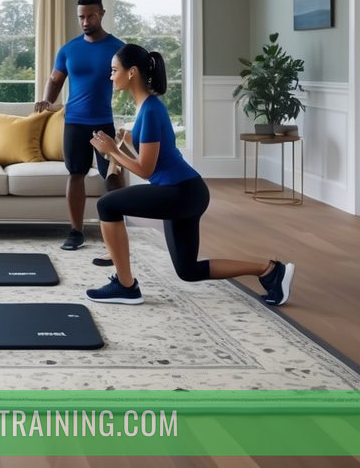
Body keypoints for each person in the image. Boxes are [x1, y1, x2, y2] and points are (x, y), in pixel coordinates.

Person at [85, 43, 295, 306]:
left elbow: (145, 170)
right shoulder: (148, 107)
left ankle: (126, 286)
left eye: (114, 70)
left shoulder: (150, 110)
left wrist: (112, 151)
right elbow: (154, 161)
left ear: (132, 72)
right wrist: (124, 142)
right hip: (185, 191)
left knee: (107, 205)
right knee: (188, 270)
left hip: (181, 192)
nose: (110, 76)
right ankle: (270, 270)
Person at [35, 0, 125, 250]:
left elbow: (132, 79)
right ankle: (76, 232)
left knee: (112, 174)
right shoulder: (69, 49)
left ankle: (116, 227)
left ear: (102, 14)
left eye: (91, 16)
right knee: (76, 174)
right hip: (74, 122)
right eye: (81, 17)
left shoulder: (118, 48)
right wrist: (47, 100)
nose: (85, 22)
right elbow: (55, 79)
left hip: (103, 122)